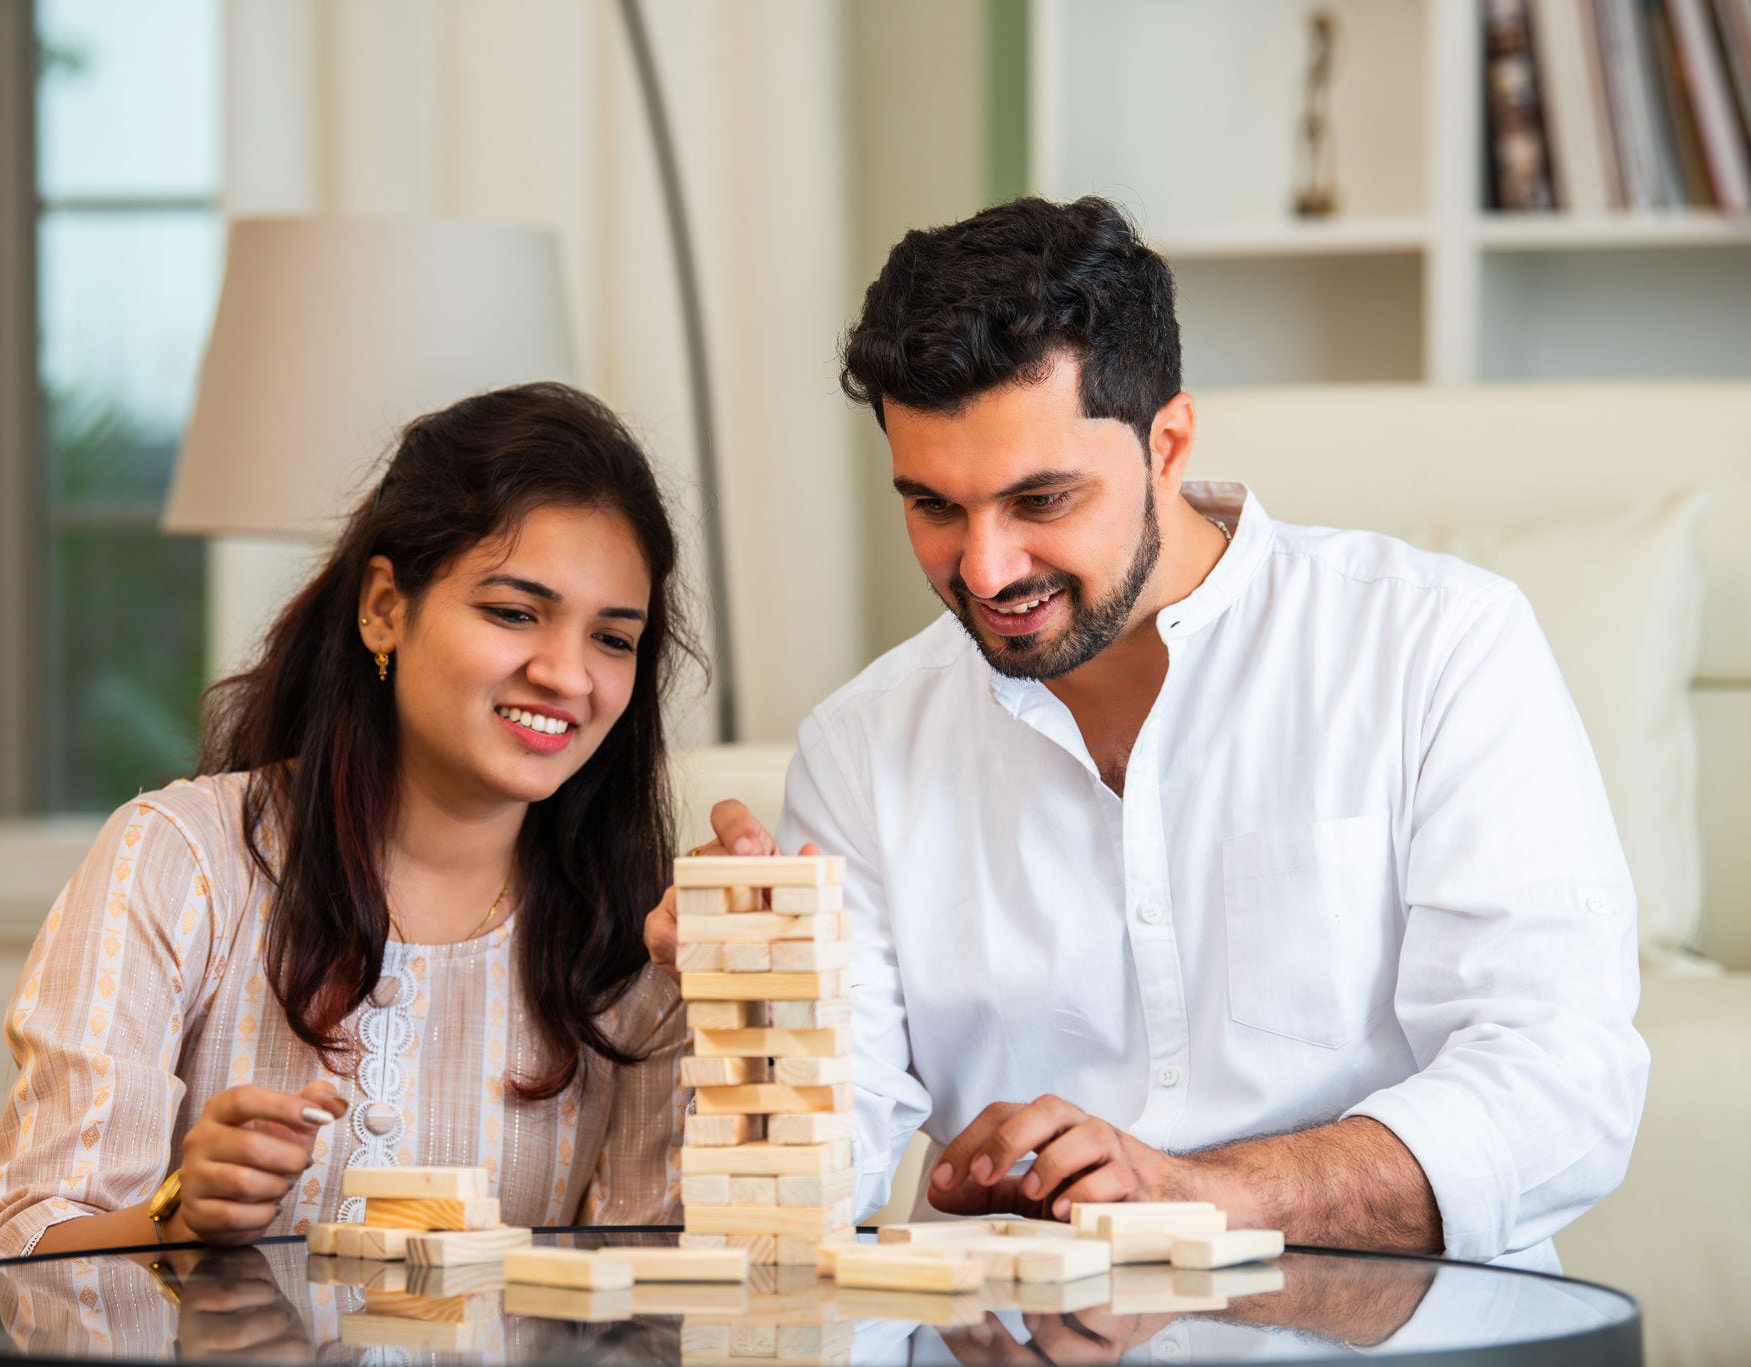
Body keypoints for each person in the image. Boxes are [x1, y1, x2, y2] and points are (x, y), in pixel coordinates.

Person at [646, 197, 1648, 1270]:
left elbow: (1559, 1088)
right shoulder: (860, 745)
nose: (983, 570)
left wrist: (1193, 1194)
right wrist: (759, 1010)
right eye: (933, 505)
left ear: (1165, 443)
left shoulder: (1434, 645)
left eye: (1040, 497)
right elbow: (809, 1189)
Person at [0, 383, 694, 1259]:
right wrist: (177, 1214)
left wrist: (749, 1000)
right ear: (386, 607)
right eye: (514, 612)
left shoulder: (640, 951)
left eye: (613, 638)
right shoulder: (178, 860)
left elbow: (648, 1307)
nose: (568, 675)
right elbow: (20, 1253)